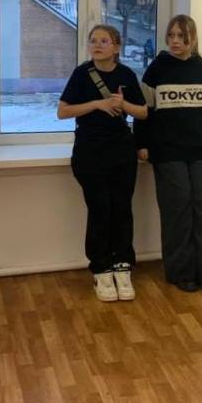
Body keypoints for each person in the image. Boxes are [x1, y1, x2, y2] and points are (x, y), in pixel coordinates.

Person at [135, 15, 202, 295]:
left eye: (181, 36)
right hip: (167, 152)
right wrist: (142, 144)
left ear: (193, 39)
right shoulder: (156, 69)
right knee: (178, 210)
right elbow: (144, 111)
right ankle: (180, 272)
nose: (175, 41)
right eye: (171, 35)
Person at [58, 24, 148, 302]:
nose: (97, 45)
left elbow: (143, 112)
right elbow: (62, 111)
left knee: (122, 208)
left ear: (116, 47)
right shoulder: (81, 74)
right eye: (93, 40)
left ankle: (123, 265)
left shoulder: (126, 75)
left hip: (121, 151)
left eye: (104, 41)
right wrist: (97, 104)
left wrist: (122, 105)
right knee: (99, 209)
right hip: (90, 151)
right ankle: (100, 268)